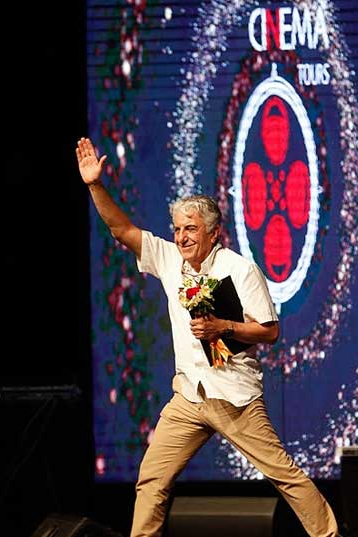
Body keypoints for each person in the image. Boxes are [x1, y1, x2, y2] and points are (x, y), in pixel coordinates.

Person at [75, 137, 339, 537]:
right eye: (177, 229)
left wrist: (223, 327)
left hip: (234, 397)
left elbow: (269, 331)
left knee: (283, 474)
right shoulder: (169, 259)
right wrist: (95, 184)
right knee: (152, 478)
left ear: (213, 233)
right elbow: (121, 228)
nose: (181, 237)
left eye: (190, 229)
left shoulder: (240, 269)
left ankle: (329, 534)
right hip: (189, 395)